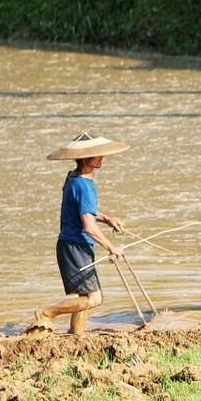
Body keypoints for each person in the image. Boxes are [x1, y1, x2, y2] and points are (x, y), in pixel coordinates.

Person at [30, 132, 129, 336]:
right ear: (85, 158)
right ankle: (47, 312)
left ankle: (76, 333)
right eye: (97, 154)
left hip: (71, 244)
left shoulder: (73, 178)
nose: (101, 157)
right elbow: (89, 227)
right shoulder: (84, 185)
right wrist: (112, 248)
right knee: (94, 298)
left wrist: (107, 218)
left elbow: (84, 211)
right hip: (75, 245)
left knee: (84, 295)